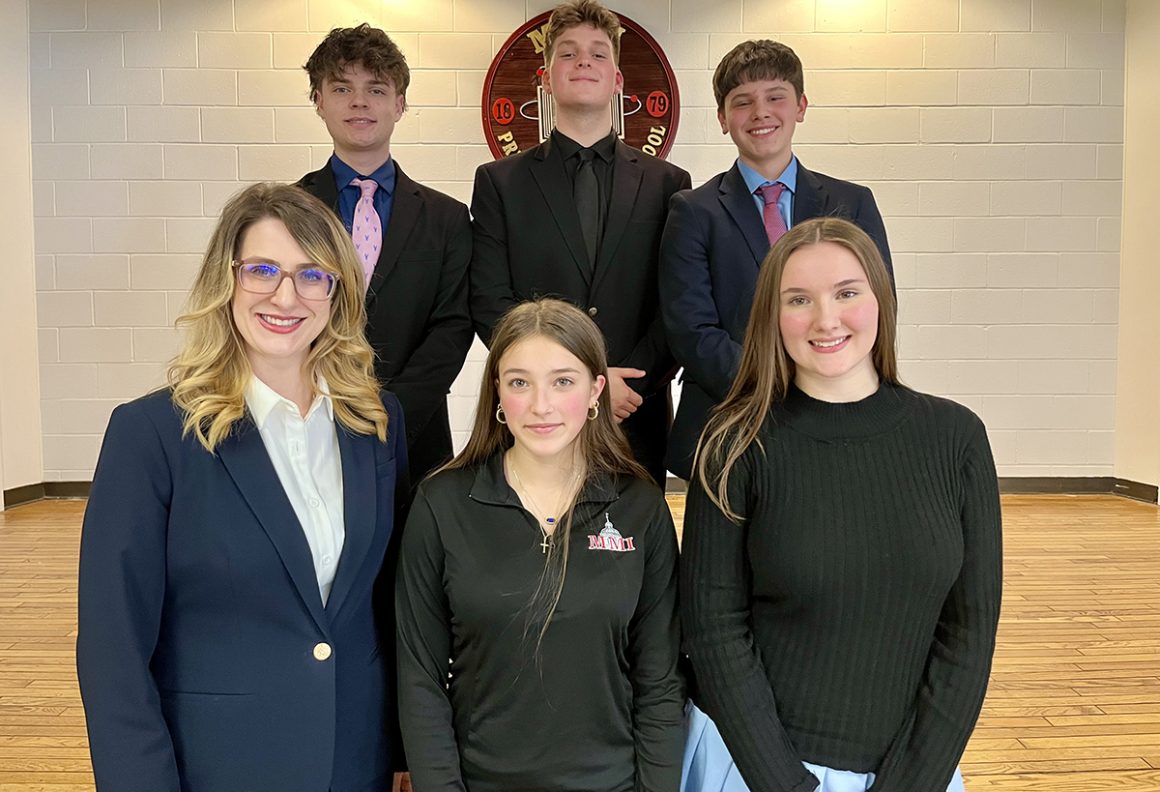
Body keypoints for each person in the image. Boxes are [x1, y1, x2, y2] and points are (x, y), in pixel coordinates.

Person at [76, 183, 410, 792]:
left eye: (313, 275)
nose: (286, 295)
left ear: (337, 294)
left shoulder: (376, 421)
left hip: (355, 761)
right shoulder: (152, 434)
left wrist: (405, 753)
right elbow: (112, 650)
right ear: (225, 280)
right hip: (217, 766)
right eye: (263, 270)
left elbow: (385, 605)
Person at [680, 218, 1001, 792]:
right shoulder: (734, 443)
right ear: (773, 318)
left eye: (847, 293)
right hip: (755, 767)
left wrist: (913, 781)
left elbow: (968, 635)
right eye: (799, 299)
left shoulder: (956, 438)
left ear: (881, 301)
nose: (825, 319)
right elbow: (713, 632)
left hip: (912, 773)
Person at [396, 298, 684, 791]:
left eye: (563, 381)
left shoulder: (640, 507)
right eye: (520, 382)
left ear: (596, 390)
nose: (541, 405)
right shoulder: (442, 504)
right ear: (498, 393)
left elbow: (659, 684)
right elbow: (419, 678)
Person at [470, 0, 691, 486]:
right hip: (537, 412)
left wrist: (624, 383)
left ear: (617, 80)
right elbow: (490, 301)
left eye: (597, 54)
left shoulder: (668, 181)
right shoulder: (500, 182)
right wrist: (572, 384)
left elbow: (676, 302)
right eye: (567, 54)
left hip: (635, 410)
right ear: (546, 80)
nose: (583, 61)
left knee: (634, 554)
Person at [659, 39, 893, 480]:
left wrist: (819, 388)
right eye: (742, 102)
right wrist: (778, 389)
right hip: (726, 420)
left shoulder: (852, 203)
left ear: (801, 106)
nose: (760, 112)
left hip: (836, 414)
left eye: (775, 97)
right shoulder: (693, 211)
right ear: (723, 119)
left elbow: (877, 307)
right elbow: (692, 331)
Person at [298, 23, 473, 483]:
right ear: (319, 101)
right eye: (342, 88)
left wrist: (392, 412)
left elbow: (452, 326)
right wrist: (318, 401)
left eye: (376, 88)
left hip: (414, 434)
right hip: (305, 420)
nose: (359, 101)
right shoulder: (286, 212)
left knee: (411, 553)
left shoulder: (447, 218)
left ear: (399, 104)